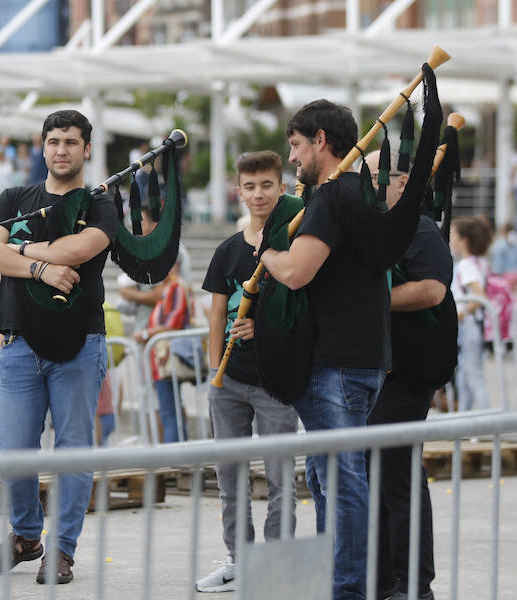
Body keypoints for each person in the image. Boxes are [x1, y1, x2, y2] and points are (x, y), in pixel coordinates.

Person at [0, 109, 118, 584]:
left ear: (86, 149)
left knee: (73, 451)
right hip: (17, 339)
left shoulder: (100, 202)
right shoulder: (15, 197)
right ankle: (26, 536)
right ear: (42, 146)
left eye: (71, 142)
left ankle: (62, 549)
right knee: (13, 450)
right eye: (53, 141)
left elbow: (79, 251)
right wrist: (39, 267)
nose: (61, 149)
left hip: (81, 343)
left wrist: (18, 251)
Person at [258, 100, 389, 600]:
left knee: (340, 480)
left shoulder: (333, 197)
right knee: (329, 474)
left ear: (319, 140)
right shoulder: (364, 194)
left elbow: (296, 271)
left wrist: (268, 253)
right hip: (356, 357)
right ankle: (336, 580)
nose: (291, 158)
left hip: (337, 362)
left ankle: (348, 589)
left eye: (294, 145)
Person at [196, 151, 300, 593]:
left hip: (276, 383)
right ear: (238, 192)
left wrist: (264, 326)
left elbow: (301, 308)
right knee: (230, 479)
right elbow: (217, 312)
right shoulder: (227, 250)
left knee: (281, 480)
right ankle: (240, 559)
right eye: (250, 186)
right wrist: (212, 370)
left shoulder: (295, 246)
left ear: (283, 187)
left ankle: (275, 567)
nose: (259, 194)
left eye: (267, 185)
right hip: (229, 382)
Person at [363, 150, 450, 600]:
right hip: (368, 371)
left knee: (396, 477)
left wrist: (365, 300)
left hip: (406, 371)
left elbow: (432, 288)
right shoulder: (372, 229)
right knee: (371, 480)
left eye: (381, 178)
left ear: (400, 184)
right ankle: (379, 582)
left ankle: (413, 584)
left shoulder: (419, 228)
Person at [133, 257, 190, 443]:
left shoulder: (176, 288)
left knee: (169, 412)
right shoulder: (171, 289)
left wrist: (145, 334)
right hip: (161, 355)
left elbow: (173, 323)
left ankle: (174, 460)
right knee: (170, 409)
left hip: (164, 354)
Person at [450, 217, 493, 411]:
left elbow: (478, 297)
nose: (451, 239)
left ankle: (485, 424)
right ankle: (464, 421)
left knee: (472, 377)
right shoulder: (480, 263)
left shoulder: (466, 265)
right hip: (474, 326)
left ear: (464, 240)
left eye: (453, 235)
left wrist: (458, 315)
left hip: (468, 325)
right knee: (465, 377)